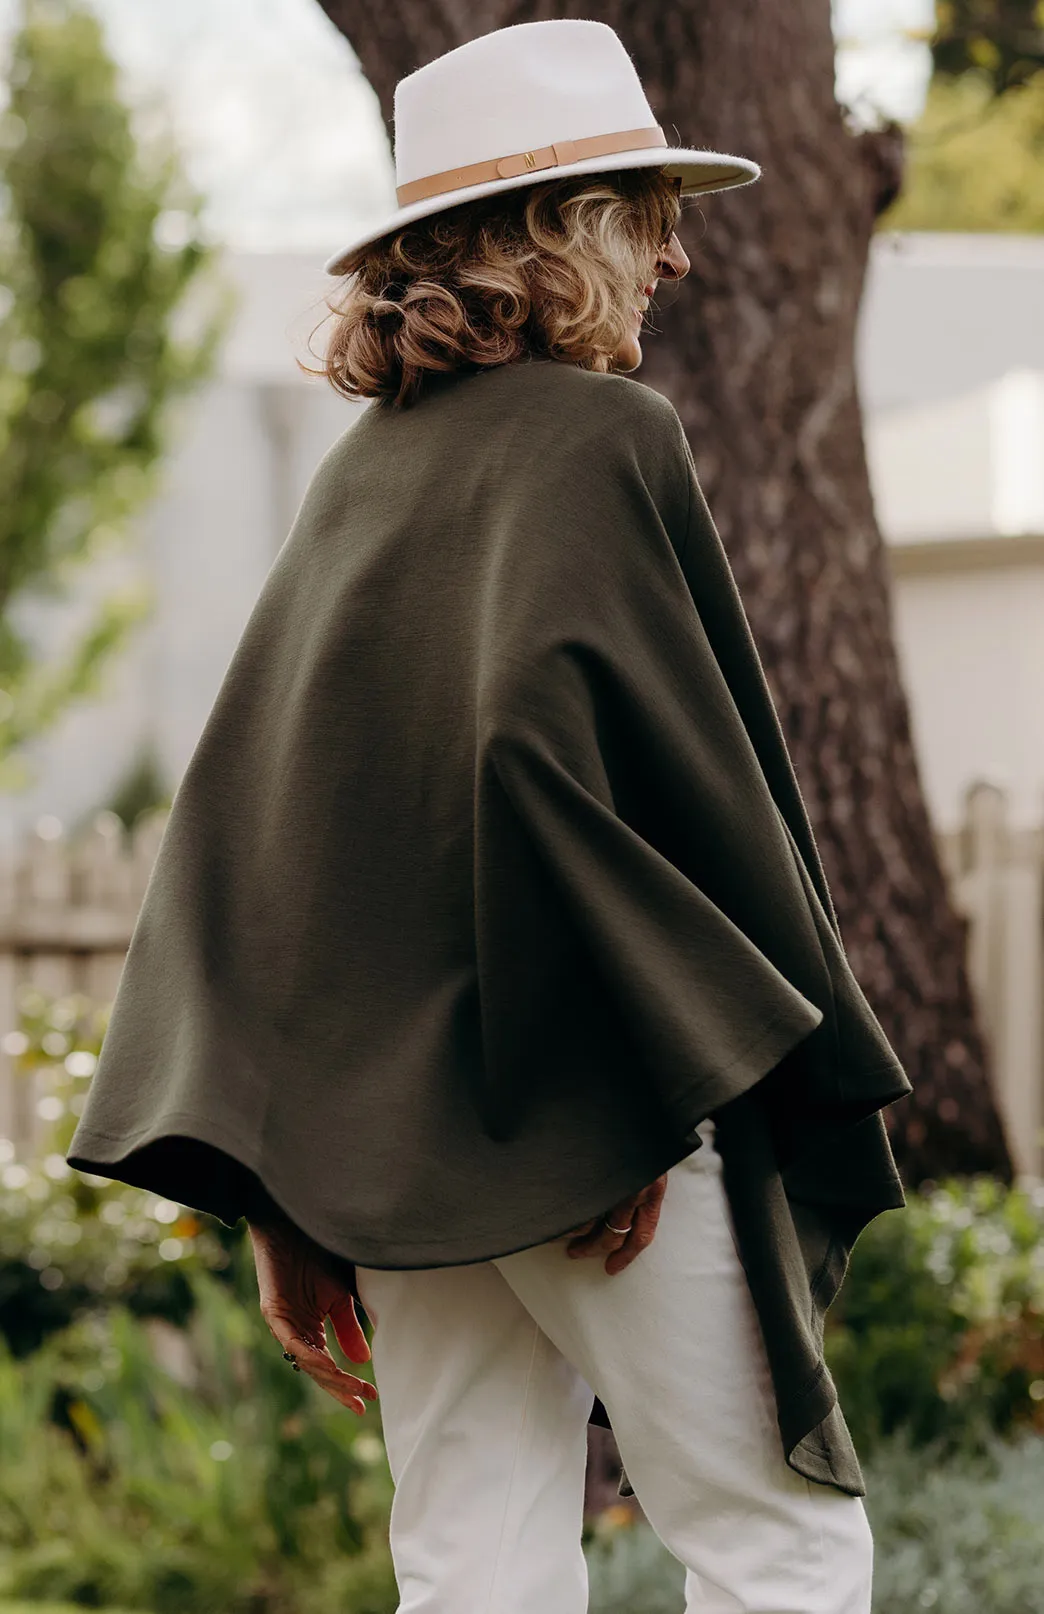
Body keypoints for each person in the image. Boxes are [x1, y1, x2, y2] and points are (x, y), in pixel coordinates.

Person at [66, 19, 913, 1613]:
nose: (671, 256)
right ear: (560, 227)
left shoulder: (358, 484)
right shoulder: (606, 441)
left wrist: (288, 1181)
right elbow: (551, 775)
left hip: (396, 1147)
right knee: (776, 1538)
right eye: (644, 213)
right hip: (605, 1114)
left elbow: (266, 836)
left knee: (471, 1556)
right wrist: (607, 1081)